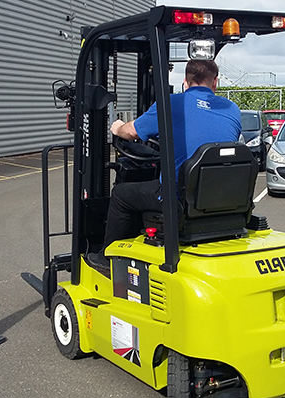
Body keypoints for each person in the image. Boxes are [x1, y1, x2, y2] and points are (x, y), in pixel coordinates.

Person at [87, 59, 242, 269]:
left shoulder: (170, 103)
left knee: (121, 195)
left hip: (179, 199)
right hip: (224, 199)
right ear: (215, 82)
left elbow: (132, 132)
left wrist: (117, 128)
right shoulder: (232, 109)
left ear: (185, 82)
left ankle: (107, 260)